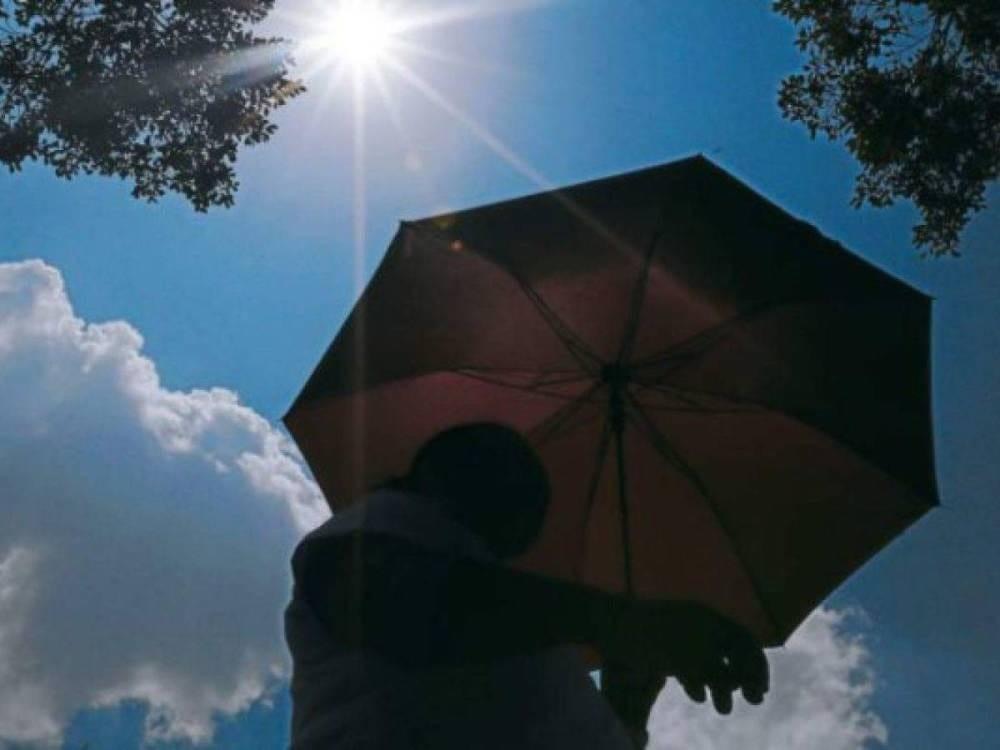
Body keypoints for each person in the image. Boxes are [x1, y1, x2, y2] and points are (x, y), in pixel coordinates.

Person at [284, 422, 768, 749]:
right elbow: (405, 604)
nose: (528, 509)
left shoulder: (530, 639)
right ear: (436, 476)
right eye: (502, 475)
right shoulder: (381, 529)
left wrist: (627, 712)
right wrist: (625, 622)